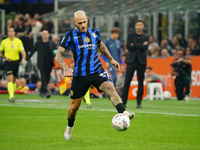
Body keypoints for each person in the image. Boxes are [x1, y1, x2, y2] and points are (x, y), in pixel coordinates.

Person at [55, 10, 135, 140]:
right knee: (74, 108)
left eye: (84, 22)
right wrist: (65, 68)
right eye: (80, 23)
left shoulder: (95, 32)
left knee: (110, 88)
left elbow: (101, 46)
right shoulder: (70, 35)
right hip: (80, 75)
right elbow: (58, 54)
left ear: (87, 19)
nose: (83, 25)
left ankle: (123, 113)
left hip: (97, 71)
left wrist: (112, 59)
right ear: (75, 23)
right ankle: (70, 127)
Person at [122, 20, 149, 108]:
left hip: (141, 61)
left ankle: (139, 103)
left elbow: (146, 47)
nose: (138, 26)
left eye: (140, 25)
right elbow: (129, 46)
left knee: (140, 82)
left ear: (143, 26)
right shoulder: (130, 35)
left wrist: (135, 45)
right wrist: (140, 45)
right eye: (137, 25)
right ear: (135, 26)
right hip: (131, 60)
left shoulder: (146, 36)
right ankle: (123, 102)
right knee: (127, 82)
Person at [26, 30, 56, 98]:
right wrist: (27, 60)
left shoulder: (51, 43)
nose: (45, 35)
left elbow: (56, 50)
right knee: (43, 77)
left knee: (47, 78)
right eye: (44, 34)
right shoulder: (38, 43)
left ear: (48, 35)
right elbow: (32, 52)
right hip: (41, 63)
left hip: (49, 63)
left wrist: (56, 52)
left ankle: (42, 91)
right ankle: (46, 92)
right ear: (42, 35)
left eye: (46, 34)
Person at [0, 27, 26, 103]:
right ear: (8, 33)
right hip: (8, 62)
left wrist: (23, 59)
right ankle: (11, 96)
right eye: (9, 31)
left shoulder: (18, 41)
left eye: (12, 31)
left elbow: (23, 51)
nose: (10, 33)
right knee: (10, 79)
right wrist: (5, 57)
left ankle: (12, 94)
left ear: (14, 33)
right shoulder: (4, 42)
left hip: (16, 62)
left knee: (14, 81)